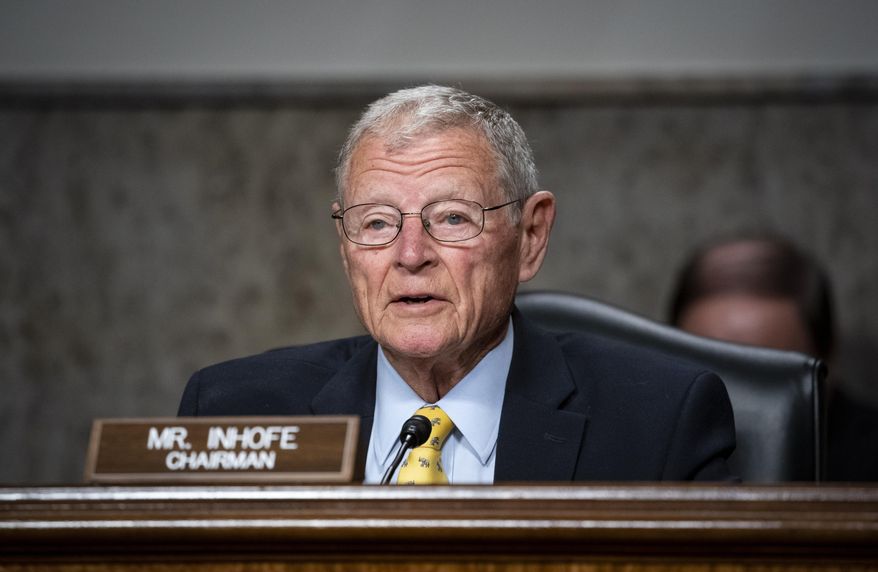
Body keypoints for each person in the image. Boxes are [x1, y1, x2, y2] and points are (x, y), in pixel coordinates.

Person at [179, 85, 736, 483]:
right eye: (376, 222)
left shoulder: (659, 424)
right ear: (346, 247)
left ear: (531, 236)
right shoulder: (235, 411)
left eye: (451, 218)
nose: (411, 256)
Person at [669, 234, 878, 482]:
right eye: (704, 368)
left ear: (826, 357)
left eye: (759, 374)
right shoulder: (656, 452)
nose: (725, 397)